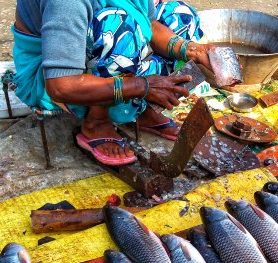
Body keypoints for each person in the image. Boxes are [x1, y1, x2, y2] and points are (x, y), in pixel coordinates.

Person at [13, 0, 213, 165]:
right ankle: (97, 121)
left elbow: (150, 25)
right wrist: (141, 86)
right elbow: (61, 85)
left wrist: (192, 50)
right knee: (117, 25)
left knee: (180, 16)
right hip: (53, 77)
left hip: (93, 56)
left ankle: (142, 109)